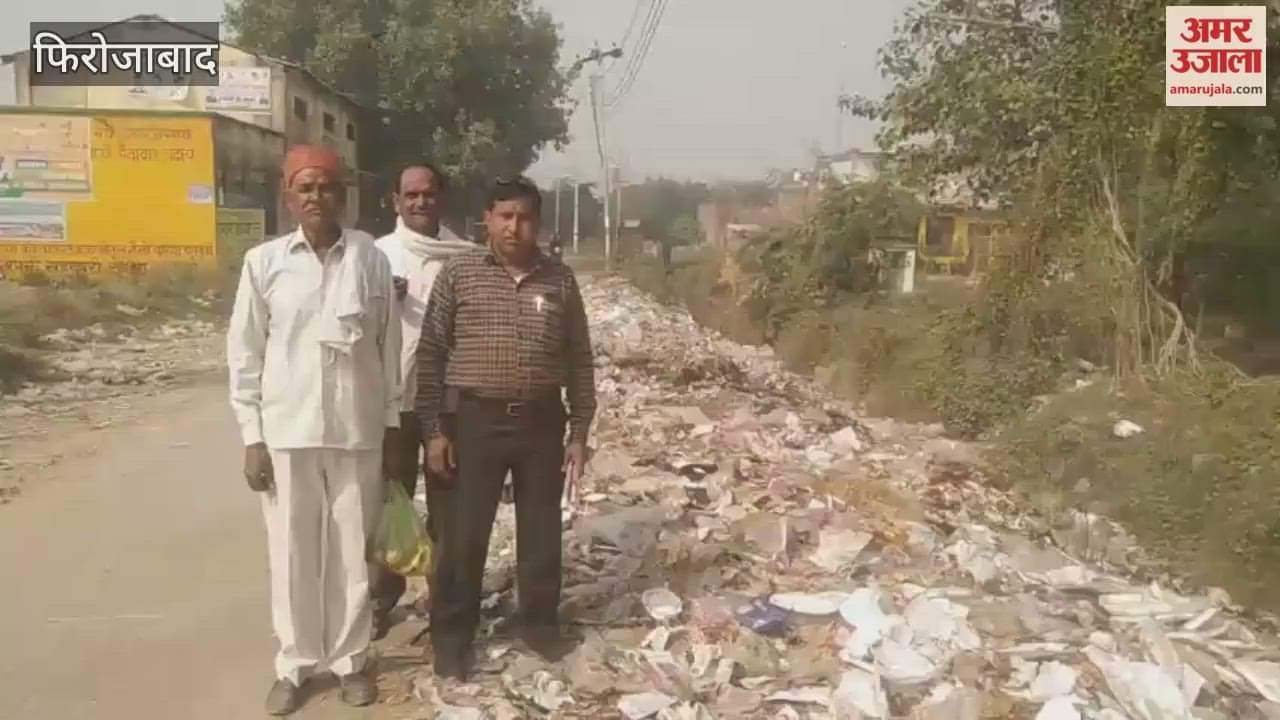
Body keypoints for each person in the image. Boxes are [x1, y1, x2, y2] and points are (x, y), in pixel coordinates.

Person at [227, 144, 402, 715]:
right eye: (304, 188)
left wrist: (392, 422)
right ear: (288, 197)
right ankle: (297, 664)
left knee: (353, 551)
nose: (316, 197)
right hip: (287, 430)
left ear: (343, 195)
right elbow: (245, 354)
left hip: (357, 428)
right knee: (292, 552)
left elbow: (388, 345)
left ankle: (352, 661)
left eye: (326, 186)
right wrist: (252, 435)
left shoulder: (368, 257)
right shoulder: (265, 263)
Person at [415, 175, 596, 680]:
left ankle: (539, 627)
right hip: (473, 421)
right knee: (463, 536)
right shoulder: (460, 273)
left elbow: (579, 360)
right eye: (506, 216)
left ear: (539, 223)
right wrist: (433, 430)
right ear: (487, 220)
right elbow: (430, 354)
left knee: (540, 535)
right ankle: (452, 640)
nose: (515, 227)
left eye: (525, 218)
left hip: (541, 422)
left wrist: (579, 434)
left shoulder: (560, 281)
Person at [371, 161, 476, 639]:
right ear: (395, 202)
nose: (419, 203)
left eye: (427, 194)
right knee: (389, 503)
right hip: (391, 404)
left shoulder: (466, 258)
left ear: (442, 199)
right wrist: (379, 300)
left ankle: (444, 605)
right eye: (409, 195)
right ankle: (379, 600)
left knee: (447, 507)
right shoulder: (374, 257)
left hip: (448, 406)